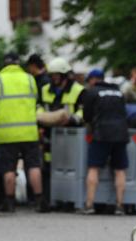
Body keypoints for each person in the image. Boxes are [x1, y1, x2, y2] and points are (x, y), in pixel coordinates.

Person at [0, 52, 44, 213]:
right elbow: (35, 100)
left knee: (8, 168)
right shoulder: (30, 79)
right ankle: (40, 201)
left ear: (4, 64)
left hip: (6, 134)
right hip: (29, 131)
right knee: (34, 166)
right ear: (18, 63)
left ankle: (9, 202)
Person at [39, 57, 85, 208]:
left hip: (71, 135)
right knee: (48, 167)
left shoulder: (78, 90)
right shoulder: (45, 90)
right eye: (52, 76)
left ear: (65, 75)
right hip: (49, 134)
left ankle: (69, 200)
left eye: (57, 75)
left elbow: (83, 111)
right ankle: (49, 199)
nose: (54, 78)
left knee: (70, 167)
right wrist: (43, 119)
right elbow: (39, 108)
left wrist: (72, 120)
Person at [82, 71, 129, 214]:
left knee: (93, 168)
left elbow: (86, 115)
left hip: (101, 134)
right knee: (120, 170)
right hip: (121, 134)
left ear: (94, 80)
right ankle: (120, 205)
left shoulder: (92, 92)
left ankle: (89, 204)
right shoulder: (119, 92)